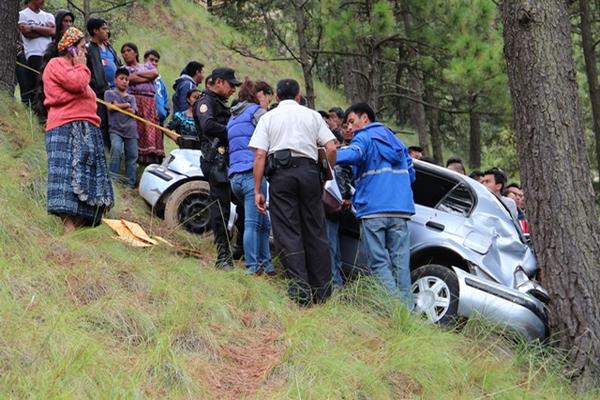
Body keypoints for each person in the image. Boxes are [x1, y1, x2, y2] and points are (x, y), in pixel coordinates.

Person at [249, 78, 337, 305]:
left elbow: (260, 155)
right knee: (315, 231)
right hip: (309, 174)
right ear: (298, 96)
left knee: (288, 232)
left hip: (281, 176)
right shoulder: (313, 116)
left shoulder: (268, 117)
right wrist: (327, 173)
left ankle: (300, 292)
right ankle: (323, 292)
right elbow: (330, 147)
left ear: (277, 97)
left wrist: (258, 189)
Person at [336, 103, 415, 306]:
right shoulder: (397, 142)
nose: (350, 128)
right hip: (400, 210)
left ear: (365, 119)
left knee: (378, 262)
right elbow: (412, 175)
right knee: (400, 264)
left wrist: (329, 154)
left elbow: (354, 154)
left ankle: (398, 310)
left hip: (374, 210)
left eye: (352, 121)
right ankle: (407, 312)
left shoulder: (365, 136)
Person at [41, 27, 114, 233]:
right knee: (67, 179)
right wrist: (82, 67)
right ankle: (68, 228)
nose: (85, 52)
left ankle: (77, 231)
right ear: (71, 49)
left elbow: (82, 90)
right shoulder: (57, 64)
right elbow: (77, 84)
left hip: (86, 127)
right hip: (65, 127)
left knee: (86, 178)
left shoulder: (77, 70)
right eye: (82, 48)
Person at [193, 67, 243, 269]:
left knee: (242, 204)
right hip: (216, 162)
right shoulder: (205, 102)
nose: (233, 90)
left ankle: (239, 248)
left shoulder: (220, 102)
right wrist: (234, 131)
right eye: (231, 85)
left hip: (228, 162)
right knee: (220, 208)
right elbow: (208, 127)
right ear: (219, 82)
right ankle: (223, 255)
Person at [227, 79, 275, 275]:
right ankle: (252, 267)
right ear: (260, 95)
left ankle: (267, 264)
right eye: (267, 99)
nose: (267, 104)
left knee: (263, 223)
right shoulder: (257, 113)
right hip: (252, 174)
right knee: (253, 224)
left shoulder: (233, 117)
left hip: (234, 177)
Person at [121, 42, 163, 165]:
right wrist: (146, 77)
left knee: (150, 129)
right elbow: (130, 79)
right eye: (123, 52)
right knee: (138, 129)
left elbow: (155, 73)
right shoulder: (124, 69)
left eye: (129, 50)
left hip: (150, 103)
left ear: (136, 53)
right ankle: (137, 161)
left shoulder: (147, 65)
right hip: (136, 101)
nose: (125, 54)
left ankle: (151, 162)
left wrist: (137, 75)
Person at [86, 17, 121, 143]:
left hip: (116, 92)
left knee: (117, 126)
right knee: (102, 124)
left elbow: (118, 65)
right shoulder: (88, 49)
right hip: (99, 93)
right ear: (95, 30)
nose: (107, 31)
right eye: (104, 28)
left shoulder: (110, 48)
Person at [105, 68, 138, 188]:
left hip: (131, 130)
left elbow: (133, 112)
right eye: (121, 78)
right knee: (116, 150)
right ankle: (113, 180)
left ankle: (130, 183)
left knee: (132, 155)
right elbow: (110, 108)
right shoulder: (109, 93)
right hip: (115, 129)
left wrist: (118, 105)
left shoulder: (132, 97)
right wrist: (126, 105)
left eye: (127, 79)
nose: (124, 81)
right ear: (115, 80)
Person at [18, 0, 55, 108]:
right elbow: (26, 33)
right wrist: (45, 30)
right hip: (33, 55)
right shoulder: (22, 14)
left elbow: (52, 32)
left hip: (49, 55)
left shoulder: (49, 16)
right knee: (36, 87)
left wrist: (33, 27)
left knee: (48, 86)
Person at [144, 49, 169, 126]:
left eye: (156, 61)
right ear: (145, 60)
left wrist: (164, 113)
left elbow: (166, 100)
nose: (154, 63)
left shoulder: (161, 82)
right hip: (145, 120)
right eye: (151, 60)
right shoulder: (140, 77)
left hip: (159, 122)